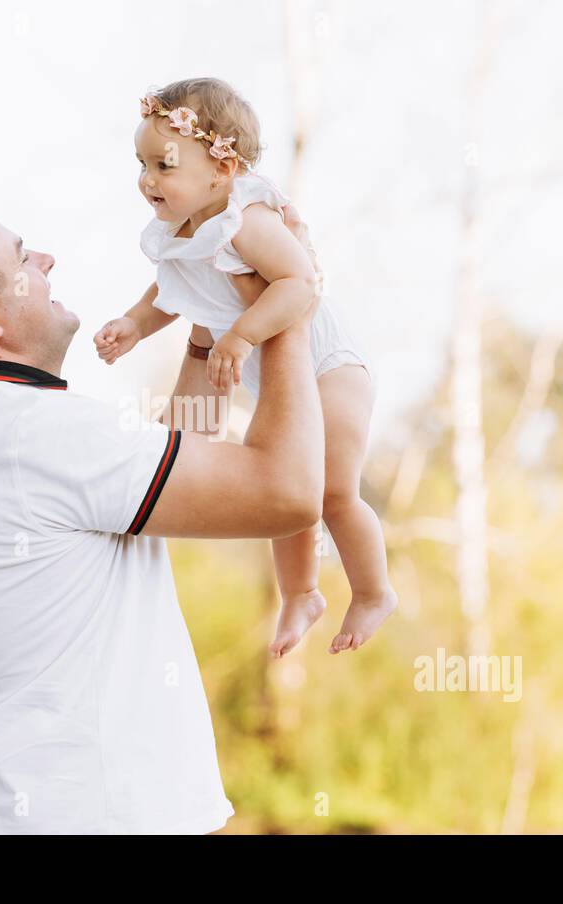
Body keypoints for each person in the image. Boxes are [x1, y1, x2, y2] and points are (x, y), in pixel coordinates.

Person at [0, 198, 322, 833]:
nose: (48, 259)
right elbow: (288, 492)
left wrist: (204, 323)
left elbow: (183, 458)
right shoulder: (38, 433)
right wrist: (290, 306)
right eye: (24, 257)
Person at [95, 77, 398, 658]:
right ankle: (301, 593)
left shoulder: (246, 219)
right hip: (277, 377)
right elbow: (169, 288)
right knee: (289, 490)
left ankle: (373, 591)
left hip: (329, 366)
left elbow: (298, 282)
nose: (146, 180)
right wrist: (134, 326)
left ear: (222, 168)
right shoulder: (177, 233)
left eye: (163, 165)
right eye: (142, 164)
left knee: (332, 489)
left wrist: (241, 333)